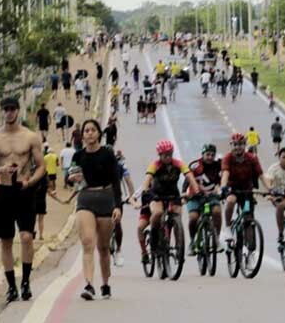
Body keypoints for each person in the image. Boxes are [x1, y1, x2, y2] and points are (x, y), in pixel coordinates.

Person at [0, 96, 46, 303]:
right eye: (6, 109)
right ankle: (11, 286)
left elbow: (41, 166)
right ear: (2, 111)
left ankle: (26, 281)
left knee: (27, 237)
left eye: (12, 109)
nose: (9, 112)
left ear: (18, 111)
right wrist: (2, 169)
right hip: (4, 190)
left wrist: (30, 182)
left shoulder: (30, 137)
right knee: (6, 241)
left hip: (24, 189)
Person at [63, 119, 124, 300]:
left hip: (106, 199)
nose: (89, 133)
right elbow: (70, 178)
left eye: (92, 130)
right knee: (88, 242)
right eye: (86, 130)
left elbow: (116, 182)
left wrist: (118, 206)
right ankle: (89, 285)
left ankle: (105, 283)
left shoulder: (107, 154)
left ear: (99, 133)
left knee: (103, 248)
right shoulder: (78, 156)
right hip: (85, 199)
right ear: (82, 135)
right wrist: (70, 178)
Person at [135, 140, 198, 267]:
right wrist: (146, 188)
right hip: (157, 194)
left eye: (170, 154)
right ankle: (154, 239)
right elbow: (147, 180)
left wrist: (195, 189)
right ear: (160, 155)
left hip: (173, 194)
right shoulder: (155, 165)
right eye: (165, 155)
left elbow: (189, 175)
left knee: (177, 217)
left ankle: (179, 247)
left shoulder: (178, 164)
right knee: (157, 213)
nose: (168, 157)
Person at [220, 132, 273, 246]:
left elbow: (261, 175)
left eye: (240, 144)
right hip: (232, 188)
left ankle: (249, 247)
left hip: (247, 189)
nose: (238, 147)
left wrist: (270, 189)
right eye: (235, 144)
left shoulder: (252, 158)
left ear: (244, 145)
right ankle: (228, 227)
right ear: (231, 146)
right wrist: (223, 187)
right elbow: (225, 173)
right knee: (231, 201)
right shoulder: (227, 158)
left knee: (248, 217)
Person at [186, 143, 223, 251]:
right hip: (195, 196)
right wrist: (185, 193)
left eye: (212, 155)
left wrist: (220, 189)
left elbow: (222, 180)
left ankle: (216, 238)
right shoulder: (195, 165)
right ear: (202, 154)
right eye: (207, 154)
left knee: (217, 211)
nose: (210, 157)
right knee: (193, 218)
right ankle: (192, 241)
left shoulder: (218, 165)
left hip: (211, 196)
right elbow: (187, 181)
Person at [266, 147, 285, 242]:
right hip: (277, 195)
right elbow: (269, 182)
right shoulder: (273, 169)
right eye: (283, 157)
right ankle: (281, 232)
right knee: (280, 207)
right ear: (279, 158)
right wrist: (270, 192)